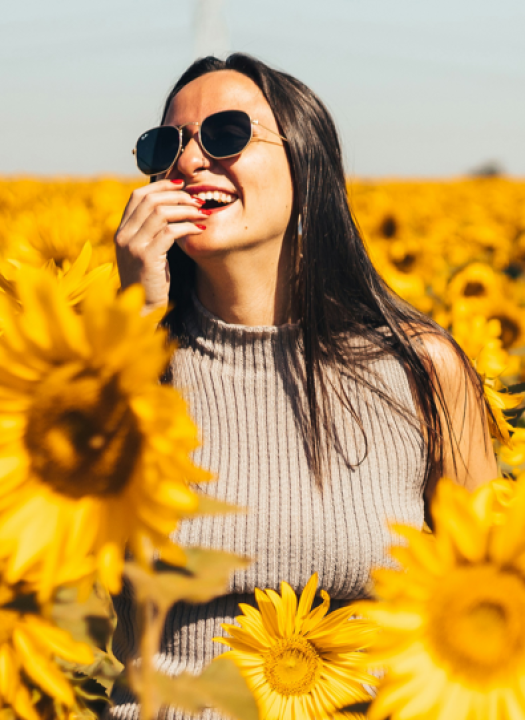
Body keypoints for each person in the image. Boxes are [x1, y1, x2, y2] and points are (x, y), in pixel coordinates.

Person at [111, 54, 497, 717]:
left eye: (226, 134)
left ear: (306, 162)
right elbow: (71, 572)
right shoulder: (121, 367)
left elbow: (489, 592)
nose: (190, 162)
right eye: (166, 146)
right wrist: (132, 327)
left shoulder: (419, 369)